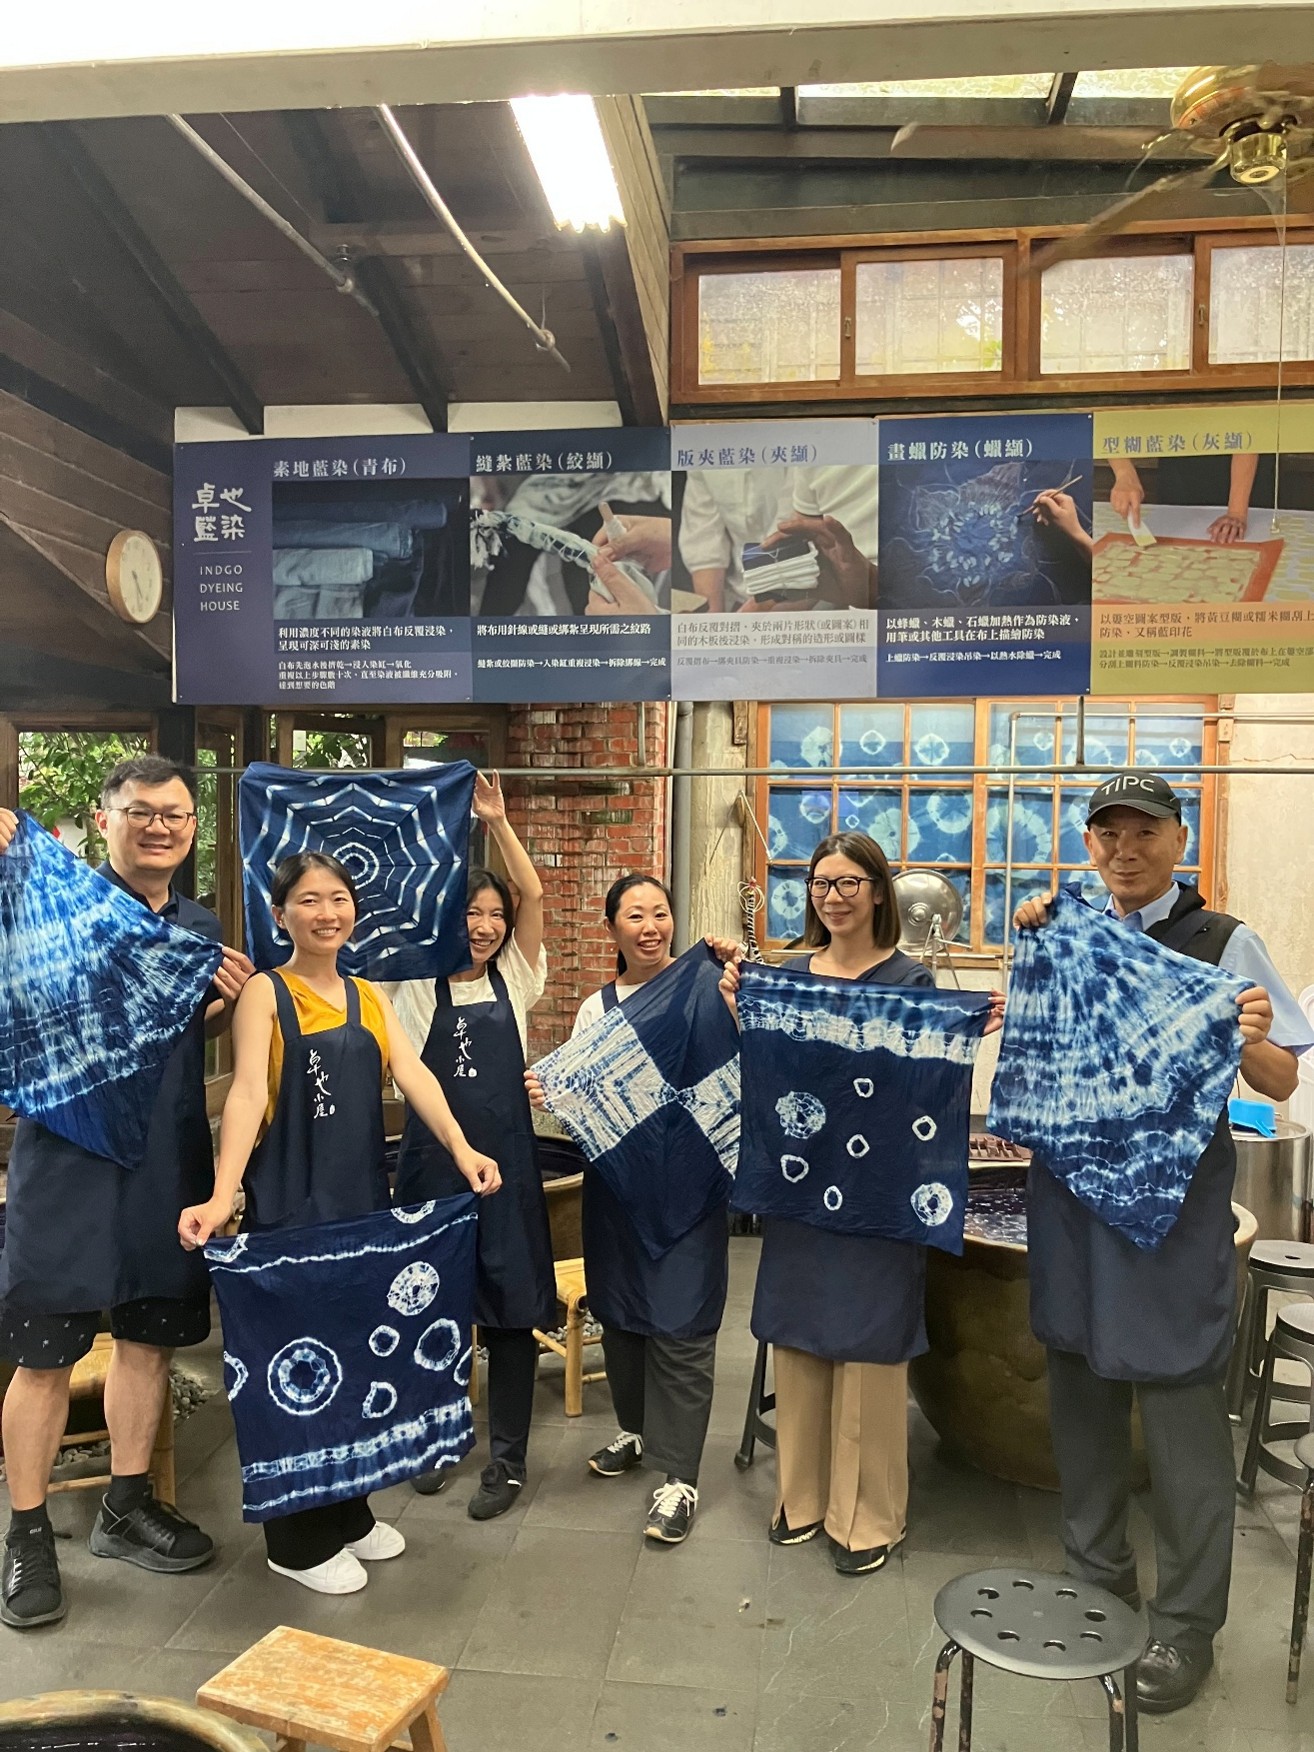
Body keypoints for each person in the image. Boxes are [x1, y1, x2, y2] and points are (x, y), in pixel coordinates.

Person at [1014, 769, 1314, 1713]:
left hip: (1175, 1211)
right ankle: (1098, 1584)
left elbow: (1279, 1082)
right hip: (1070, 1196)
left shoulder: (1224, 945)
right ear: (1091, 845)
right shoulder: (1069, 929)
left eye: (1144, 832)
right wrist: (1037, 929)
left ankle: (1188, 1630)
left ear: (1179, 838)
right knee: (1081, 1388)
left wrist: (1250, 1032)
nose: (1125, 850)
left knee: (1183, 1412)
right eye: (1108, 834)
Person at [177, 850, 500, 1595]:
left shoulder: (365, 994)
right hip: (292, 1208)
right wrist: (224, 1193)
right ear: (281, 912)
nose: (328, 912)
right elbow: (249, 1093)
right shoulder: (266, 991)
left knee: (357, 1360)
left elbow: (414, 1074)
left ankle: (349, 1514)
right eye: (310, 900)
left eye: (340, 898)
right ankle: (295, 1540)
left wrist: (462, 1146)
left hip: (360, 1203)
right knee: (300, 1370)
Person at [0, 761, 253, 1631]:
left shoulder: (197, 926)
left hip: (164, 1165)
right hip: (65, 1163)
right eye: (140, 813)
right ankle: (27, 1532)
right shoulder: (49, 901)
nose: (160, 826)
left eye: (176, 814)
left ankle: (127, 1503)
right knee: (44, 1355)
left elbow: (172, 1032)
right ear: (101, 822)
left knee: (149, 1340)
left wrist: (217, 1008)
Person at [721, 831, 1002, 1577]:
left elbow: (923, 1091)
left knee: (872, 1349)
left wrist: (962, 1033)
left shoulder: (911, 983)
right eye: (821, 883)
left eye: (849, 883)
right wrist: (744, 1009)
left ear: (878, 891)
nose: (833, 897)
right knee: (801, 1340)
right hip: (800, 1188)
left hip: (883, 1196)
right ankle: (802, 1501)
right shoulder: (788, 977)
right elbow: (772, 1076)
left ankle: (868, 1516)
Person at [527, 876, 739, 1545]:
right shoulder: (599, 1008)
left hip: (692, 1188)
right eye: (634, 916)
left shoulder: (709, 984)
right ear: (611, 929)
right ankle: (639, 1433)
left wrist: (738, 967)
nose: (650, 926)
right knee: (621, 1316)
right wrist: (551, 1088)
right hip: (620, 1190)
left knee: (681, 1325)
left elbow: (745, 1049)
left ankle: (679, 1479)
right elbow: (589, 1099)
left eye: (660, 913)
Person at [384, 772, 555, 1521]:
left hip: (509, 1170)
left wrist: (498, 821)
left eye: (494, 915)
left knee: (512, 1314)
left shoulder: (518, 978)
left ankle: (508, 1459)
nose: (484, 927)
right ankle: (436, 1439)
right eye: (471, 913)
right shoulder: (414, 986)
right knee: (435, 1308)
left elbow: (537, 898)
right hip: (431, 1168)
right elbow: (405, 1071)